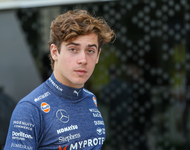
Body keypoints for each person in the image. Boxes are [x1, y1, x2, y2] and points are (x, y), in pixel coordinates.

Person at [4, 9, 115, 150]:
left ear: (98, 55)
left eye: (90, 51)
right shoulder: (29, 109)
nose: (83, 60)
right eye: (73, 49)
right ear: (54, 52)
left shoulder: (90, 99)